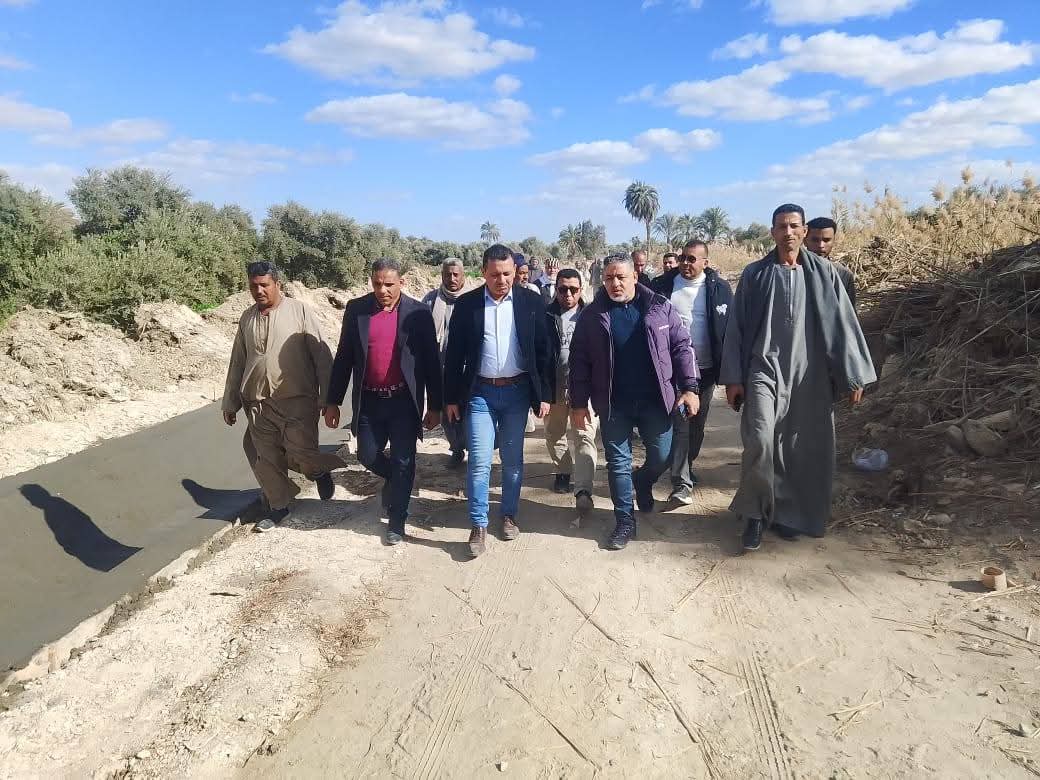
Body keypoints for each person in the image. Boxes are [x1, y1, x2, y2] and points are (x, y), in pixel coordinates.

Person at [720, 204, 876, 552]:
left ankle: (788, 514)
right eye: (781, 226)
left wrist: (854, 375)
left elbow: (844, 324)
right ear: (772, 232)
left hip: (810, 371)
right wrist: (733, 378)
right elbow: (736, 327)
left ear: (804, 231)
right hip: (763, 368)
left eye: (794, 226)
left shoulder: (826, 274)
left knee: (800, 445)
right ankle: (755, 514)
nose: (788, 232)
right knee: (760, 440)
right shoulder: (755, 274)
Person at [569, 254, 700, 550]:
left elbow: (682, 346)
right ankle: (625, 521)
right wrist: (578, 403)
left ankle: (642, 481)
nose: (615, 283)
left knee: (662, 457)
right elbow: (579, 361)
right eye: (609, 278)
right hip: (614, 404)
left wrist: (690, 387)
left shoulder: (659, 307)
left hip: (656, 400)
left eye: (621, 277)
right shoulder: (592, 315)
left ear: (635, 278)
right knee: (617, 462)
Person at [444, 244, 552, 558]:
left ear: (514, 271)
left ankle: (508, 515)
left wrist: (544, 394)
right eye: (494, 275)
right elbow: (454, 356)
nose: (501, 280)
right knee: (479, 461)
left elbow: (543, 351)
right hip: (480, 393)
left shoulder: (532, 302)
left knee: (512, 460)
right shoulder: (467, 305)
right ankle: (478, 523)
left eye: (506, 274)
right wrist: (451, 397)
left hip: (517, 393)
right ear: (483, 273)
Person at [325, 258, 443, 545]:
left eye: (389, 284)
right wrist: (333, 400)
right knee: (366, 455)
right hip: (370, 400)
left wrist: (435, 405)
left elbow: (431, 362)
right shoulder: (357, 310)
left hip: (404, 401)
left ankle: (397, 520)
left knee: (404, 460)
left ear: (401, 282)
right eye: (377, 284)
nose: (383, 290)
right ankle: (396, 477)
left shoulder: (418, 313)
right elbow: (344, 357)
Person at [222, 261, 344, 532]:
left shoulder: (300, 311)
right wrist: (230, 402)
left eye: (264, 285)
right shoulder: (247, 317)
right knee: (265, 456)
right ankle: (279, 506)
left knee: (302, 453)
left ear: (277, 284)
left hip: (297, 400)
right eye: (254, 286)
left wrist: (329, 399)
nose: (259, 291)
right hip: (257, 402)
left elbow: (322, 356)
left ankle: (318, 471)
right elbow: (238, 361)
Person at [651, 240, 733, 504]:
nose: (685, 263)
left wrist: (731, 372)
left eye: (692, 259)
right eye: (683, 258)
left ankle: (686, 464)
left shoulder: (719, 289)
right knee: (682, 422)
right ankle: (681, 482)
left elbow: (730, 330)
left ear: (705, 263)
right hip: (674, 370)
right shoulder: (662, 286)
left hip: (706, 370)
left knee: (697, 425)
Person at [544, 268, 598, 514]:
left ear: (581, 290)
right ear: (556, 289)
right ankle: (563, 471)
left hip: (585, 387)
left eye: (573, 289)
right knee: (554, 433)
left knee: (585, 436)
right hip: (555, 387)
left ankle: (584, 489)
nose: (568, 294)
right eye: (562, 289)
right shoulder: (545, 316)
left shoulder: (592, 315)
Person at [422, 257, 467, 466]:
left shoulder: (473, 299)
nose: (452, 278)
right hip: (440, 369)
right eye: (448, 274)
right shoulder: (431, 300)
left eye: (456, 274)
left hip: (467, 370)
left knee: (468, 412)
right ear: (441, 276)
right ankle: (456, 449)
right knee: (446, 414)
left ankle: (472, 447)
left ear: (463, 276)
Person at [806, 217, 857, 306]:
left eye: (826, 240)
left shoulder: (843, 274)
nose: (821, 245)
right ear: (805, 240)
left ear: (833, 241)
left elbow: (849, 311)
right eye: (815, 240)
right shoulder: (794, 272)